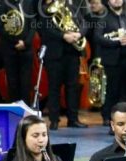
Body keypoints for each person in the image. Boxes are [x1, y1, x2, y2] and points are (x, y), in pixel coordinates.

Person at [39, 0, 88, 130]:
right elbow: (45, 28)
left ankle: (73, 119)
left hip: (72, 52)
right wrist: (63, 36)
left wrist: (79, 34)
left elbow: (84, 23)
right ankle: (54, 120)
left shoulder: (73, 7)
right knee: (54, 87)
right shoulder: (44, 9)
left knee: (73, 87)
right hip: (55, 54)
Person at [94, 0, 126, 130]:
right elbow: (98, 37)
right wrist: (117, 41)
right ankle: (113, 124)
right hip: (113, 61)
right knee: (113, 93)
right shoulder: (102, 18)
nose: (117, 0)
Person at [0, 0, 35, 103]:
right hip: (10, 48)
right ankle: (14, 111)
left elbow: (33, 24)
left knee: (26, 82)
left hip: (26, 49)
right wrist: (16, 42)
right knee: (13, 82)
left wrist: (26, 43)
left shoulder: (28, 3)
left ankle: (26, 111)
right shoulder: (3, 3)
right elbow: (0, 26)